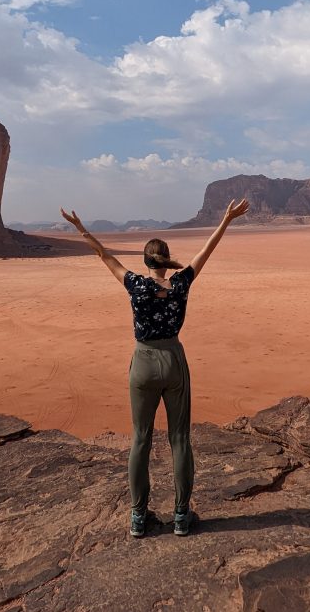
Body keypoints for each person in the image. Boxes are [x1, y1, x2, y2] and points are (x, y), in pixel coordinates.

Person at [60, 199, 249, 538]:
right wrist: (226, 219)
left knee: (140, 440)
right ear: (165, 259)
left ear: (146, 261)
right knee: (179, 439)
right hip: (174, 361)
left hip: (143, 363)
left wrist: (80, 227)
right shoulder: (180, 284)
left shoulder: (135, 284)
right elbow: (207, 250)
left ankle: (137, 517)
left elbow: (104, 256)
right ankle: (180, 516)